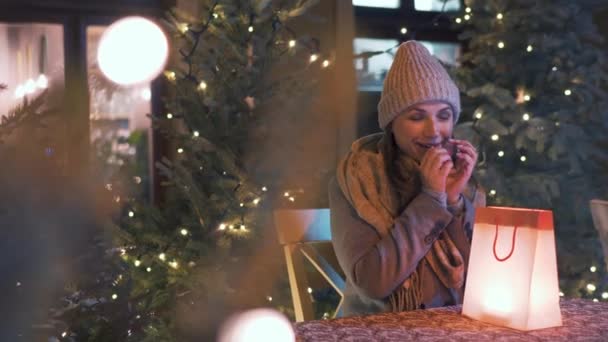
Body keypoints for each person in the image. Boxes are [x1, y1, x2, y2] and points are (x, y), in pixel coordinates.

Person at [329, 40, 485, 317]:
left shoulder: (465, 181)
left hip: (452, 327)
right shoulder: (358, 179)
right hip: (375, 329)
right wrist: (430, 200)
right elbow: (373, 283)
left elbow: (482, 280)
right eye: (416, 117)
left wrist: (453, 201)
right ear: (392, 123)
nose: (434, 130)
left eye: (444, 116)